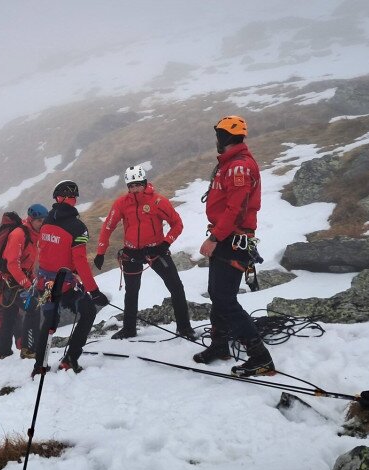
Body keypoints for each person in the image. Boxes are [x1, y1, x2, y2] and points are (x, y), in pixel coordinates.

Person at [194, 115, 275, 377]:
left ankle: (260, 357)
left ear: (226, 137)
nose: (217, 140)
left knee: (225, 299)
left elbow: (236, 209)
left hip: (231, 239)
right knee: (217, 294)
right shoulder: (230, 164)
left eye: (219, 135)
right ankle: (219, 345)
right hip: (228, 237)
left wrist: (215, 238)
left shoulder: (238, 167)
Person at [94, 164, 196, 340]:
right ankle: (129, 329)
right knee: (131, 292)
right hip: (131, 253)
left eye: (138, 184)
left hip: (156, 251)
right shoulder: (121, 203)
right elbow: (108, 227)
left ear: (145, 183)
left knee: (176, 287)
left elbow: (177, 224)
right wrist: (100, 252)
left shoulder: (158, 201)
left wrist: (165, 243)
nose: (135, 189)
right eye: (131, 186)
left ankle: (185, 328)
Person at [32, 180, 109, 376]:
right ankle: (70, 359)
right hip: (65, 284)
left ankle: (39, 366)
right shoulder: (77, 227)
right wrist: (94, 291)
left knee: (49, 321)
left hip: (44, 283)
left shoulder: (46, 221)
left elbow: (44, 251)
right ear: (73, 200)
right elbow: (80, 261)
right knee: (88, 311)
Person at [0, 203, 48, 359]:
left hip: (13, 282)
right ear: (31, 219)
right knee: (33, 308)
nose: (42, 223)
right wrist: (27, 284)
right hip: (11, 283)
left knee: (10, 316)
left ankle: (3, 353)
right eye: (39, 220)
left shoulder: (33, 235)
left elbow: (27, 264)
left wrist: (33, 280)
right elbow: (12, 263)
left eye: (43, 220)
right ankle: (29, 349)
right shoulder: (19, 234)